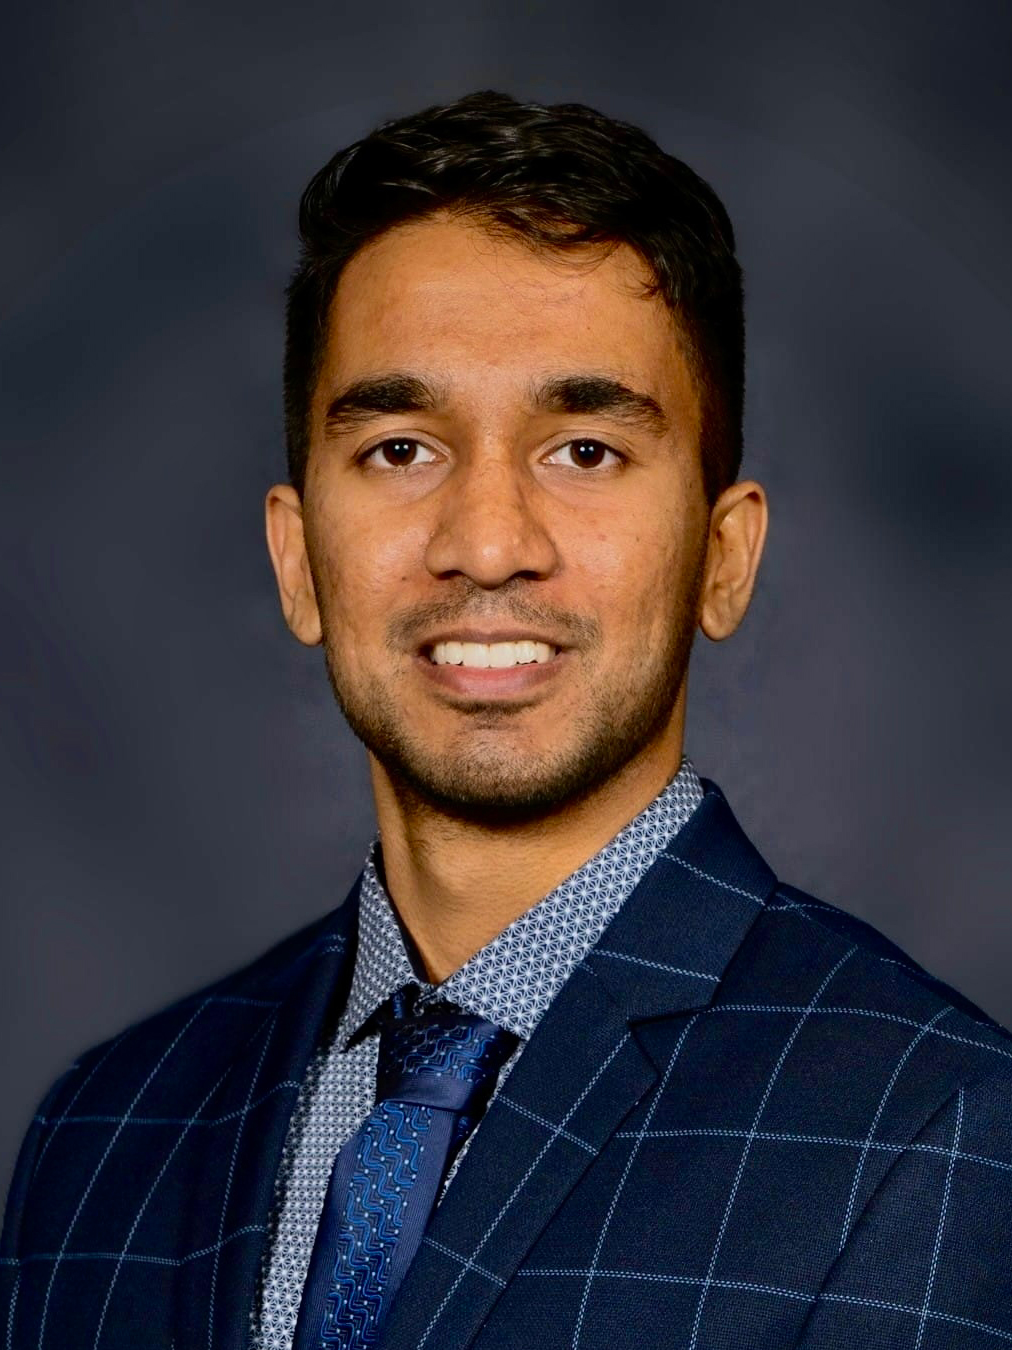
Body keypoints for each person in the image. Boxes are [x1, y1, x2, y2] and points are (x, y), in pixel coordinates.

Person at [3, 90, 1011, 1350]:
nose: (485, 543)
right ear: (297, 558)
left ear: (724, 556)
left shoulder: (934, 1131)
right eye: (400, 451)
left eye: (584, 450)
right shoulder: (103, 1134)